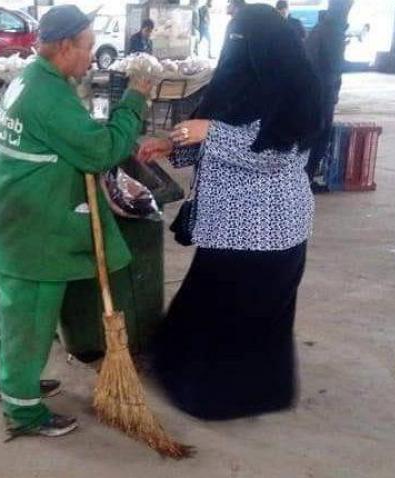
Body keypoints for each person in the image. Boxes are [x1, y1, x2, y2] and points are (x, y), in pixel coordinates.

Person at [137, 4, 321, 420]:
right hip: (225, 225)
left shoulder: (297, 90)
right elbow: (207, 125)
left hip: (269, 229)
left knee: (242, 319)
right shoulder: (237, 81)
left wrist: (211, 132)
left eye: (242, 40)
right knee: (208, 306)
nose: (234, 47)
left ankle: (224, 398)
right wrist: (173, 142)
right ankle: (182, 373)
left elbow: (277, 154)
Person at [0, 5, 151, 438]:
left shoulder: (31, 79)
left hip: (13, 224)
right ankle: (23, 412)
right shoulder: (49, 96)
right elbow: (99, 152)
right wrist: (135, 100)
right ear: (63, 47)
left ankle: (11, 384)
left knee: (13, 315)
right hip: (35, 234)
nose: (92, 57)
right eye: (88, 48)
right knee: (32, 323)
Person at [304, 0, 353, 181]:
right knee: (320, 137)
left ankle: (305, 177)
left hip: (313, 91)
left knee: (312, 136)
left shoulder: (321, 27)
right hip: (322, 92)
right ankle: (307, 179)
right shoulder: (333, 31)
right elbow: (336, 65)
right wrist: (366, 66)